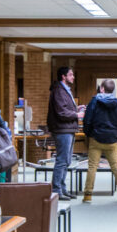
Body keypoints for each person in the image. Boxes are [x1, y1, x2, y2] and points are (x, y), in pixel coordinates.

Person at [81, 79, 117, 203]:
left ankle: (87, 195)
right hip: (111, 140)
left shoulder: (94, 102)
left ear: (102, 88)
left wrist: (89, 134)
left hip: (96, 138)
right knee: (116, 167)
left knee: (92, 167)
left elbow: (87, 120)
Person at [46, 66, 79, 201]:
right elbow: (61, 112)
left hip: (68, 129)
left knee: (66, 160)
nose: (73, 77)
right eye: (70, 75)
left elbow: (65, 108)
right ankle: (56, 190)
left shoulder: (65, 90)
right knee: (62, 160)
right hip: (62, 129)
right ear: (63, 77)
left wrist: (77, 109)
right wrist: (77, 114)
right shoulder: (59, 90)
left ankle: (62, 188)